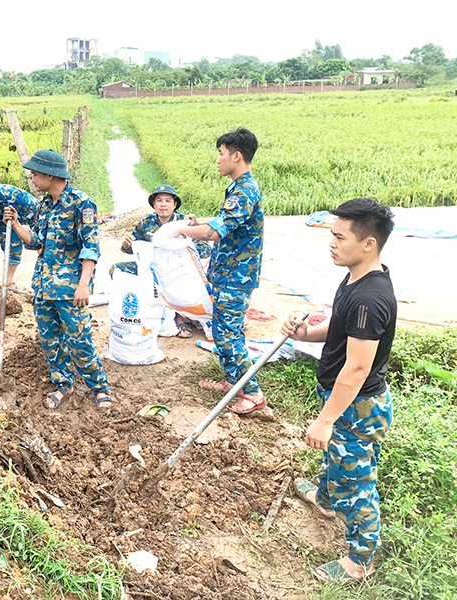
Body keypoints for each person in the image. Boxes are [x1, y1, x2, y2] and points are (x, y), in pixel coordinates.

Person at [281, 198, 396, 584]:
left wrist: (326, 419)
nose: (331, 243)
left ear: (368, 243)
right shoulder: (356, 277)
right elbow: (340, 327)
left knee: (356, 481)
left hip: (357, 404)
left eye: (339, 236)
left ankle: (360, 560)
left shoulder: (369, 297)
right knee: (338, 459)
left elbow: (359, 366)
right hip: (343, 396)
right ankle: (326, 500)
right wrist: (307, 333)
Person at [3, 149, 113, 410]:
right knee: (50, 340)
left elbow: (91, 248)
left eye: (34, 174)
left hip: (70, 289)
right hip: (44, 287)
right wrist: (17, 225)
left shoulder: (81, 204)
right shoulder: (44, 205)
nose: (31, 178)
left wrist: (84, 284)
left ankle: (99, 386)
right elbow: (37, 241)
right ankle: (63, 382)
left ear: (50, 175)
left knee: (79, 339)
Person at [169, 128, 264, 413]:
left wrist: (181, 229)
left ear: (236, 156)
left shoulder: (245, 190)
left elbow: (213, 233)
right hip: (229, 274)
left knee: (228, 334)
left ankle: (253, 393)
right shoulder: (238, 188)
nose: (218, 161)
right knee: (224, 331)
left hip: (237, 276)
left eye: (221, 155)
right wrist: (199, 224)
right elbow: (223, 224)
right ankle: (234, 381)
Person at [110, 184, 211, 338]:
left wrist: (183, 244)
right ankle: (138, 310)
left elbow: (204, 250)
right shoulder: (146, 222)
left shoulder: (184, 223)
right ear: (154, 204)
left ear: (174, 204)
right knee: (117, 269)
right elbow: (133, 249)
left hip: (176, 273)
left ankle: (180, 317)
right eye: (159, 201)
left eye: (168, 201)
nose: (163, 205)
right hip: (152, 271)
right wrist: (126, 245)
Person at [0, 184, 39, 292]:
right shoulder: (23, 199)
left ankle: (8, 282)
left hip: (9, 221)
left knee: (15, 248)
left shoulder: (39, 220)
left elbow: (39, 242)